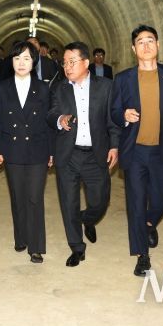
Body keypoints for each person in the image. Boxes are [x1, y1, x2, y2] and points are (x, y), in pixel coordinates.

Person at [110, 25, 163, 277]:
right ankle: (142, 256)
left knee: (162, 198)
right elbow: (113, 111)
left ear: (158, 45)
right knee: (136, 203)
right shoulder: (123, 78)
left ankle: (148, 224)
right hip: (134, 151)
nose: (146, 45)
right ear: (133, 48)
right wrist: (123, 114)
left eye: (150, 40)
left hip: (161, 150)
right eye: (140, 42)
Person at [46, 41, 120, 267]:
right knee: (68, 203)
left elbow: (112, 120)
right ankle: (77, 248)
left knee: (100, 201)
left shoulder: (106, 86)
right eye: (64, 63)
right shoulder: (59, 88)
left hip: (95, 154)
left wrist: (114, 146)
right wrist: (60, 119)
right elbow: (51, 114)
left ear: (86, 63)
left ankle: (87, 219)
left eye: (72, 62)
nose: (67, 67)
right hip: (68, 155)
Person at [0, 41, 53, 264]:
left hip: (37, 149)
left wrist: (51, 152)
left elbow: (49, 122)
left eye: (26, 58)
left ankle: (36, 247)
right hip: (12, 149)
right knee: (18, 196)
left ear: (34, 62)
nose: (21, 63)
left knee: (34, 198)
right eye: (17, 58)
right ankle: (21, 237)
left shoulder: (43, 88)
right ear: (12, 61)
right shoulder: (2, 88)